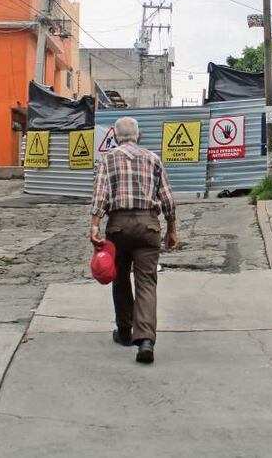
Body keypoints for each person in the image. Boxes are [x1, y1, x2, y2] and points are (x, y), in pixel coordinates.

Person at [90, 116, 178, 364]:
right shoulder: (153, 159)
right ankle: (146, 340)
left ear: (116, 137)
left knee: (119, 278)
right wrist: (171, 228)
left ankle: (125, 330)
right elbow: (167, 198)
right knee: (147, 281)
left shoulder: (107, 159)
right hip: (148, 224)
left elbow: (100, 195)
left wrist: (95, 225)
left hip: (118, 226)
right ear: (138, 137)